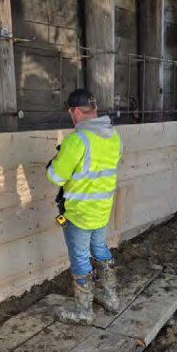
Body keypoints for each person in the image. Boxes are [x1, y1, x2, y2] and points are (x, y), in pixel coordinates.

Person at [46, 89, 123, 324]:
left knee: (80, 257)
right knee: (99, 247)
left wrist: (54, 162)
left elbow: (56, 177)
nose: (71, 117)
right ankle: (111, 298)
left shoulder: (77, 140)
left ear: (77, 111)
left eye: (71, 112)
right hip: (102, 209)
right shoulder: (114, 137)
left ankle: (83, 311)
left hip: (79, 212)